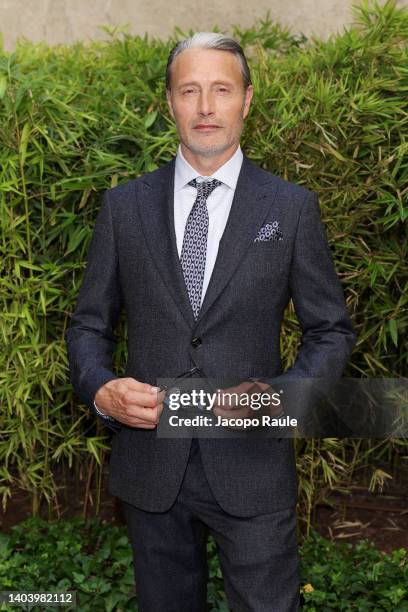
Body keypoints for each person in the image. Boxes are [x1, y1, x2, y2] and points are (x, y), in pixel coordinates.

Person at [65, 32, 356, 612]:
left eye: (221, 90)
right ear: (168, 102)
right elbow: (88, 326)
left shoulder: (290, 207)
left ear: (246, 101)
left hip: (251, 467)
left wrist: (277, 399)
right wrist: (101, 389)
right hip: (151, 467)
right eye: (189, 90)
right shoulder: (124, 207)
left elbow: (331, 331)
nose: (205, 107)